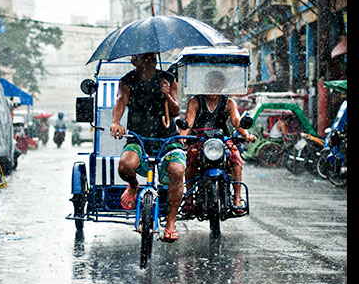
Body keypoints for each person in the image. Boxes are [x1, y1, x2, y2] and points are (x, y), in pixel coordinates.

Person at [109, 52, 183, 242]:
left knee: (177, 170)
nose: (149, 62)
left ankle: (171, 222)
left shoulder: (168, 79)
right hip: (139, 137)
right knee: (125, 166)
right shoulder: (127, 81)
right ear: (134, 61)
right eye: (144, 58)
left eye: (151, 58)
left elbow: (175, 111)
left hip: (167, 138)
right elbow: (121, 101)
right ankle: (134, 185)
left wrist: (167, 95)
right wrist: (116, 121)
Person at [183, 70, 256, 209]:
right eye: (211, 85)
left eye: (218, 85)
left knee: (235, 157)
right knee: (191, 158)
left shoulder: (229, 102)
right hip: (199, 140)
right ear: (205, 85)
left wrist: (247, 135)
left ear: (223, 86)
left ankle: (237, 198)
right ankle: (189, 198)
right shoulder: (195, 101)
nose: (214, 88)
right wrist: (182, 137)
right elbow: (189, 122)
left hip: (222, 140)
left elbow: (236, 121)